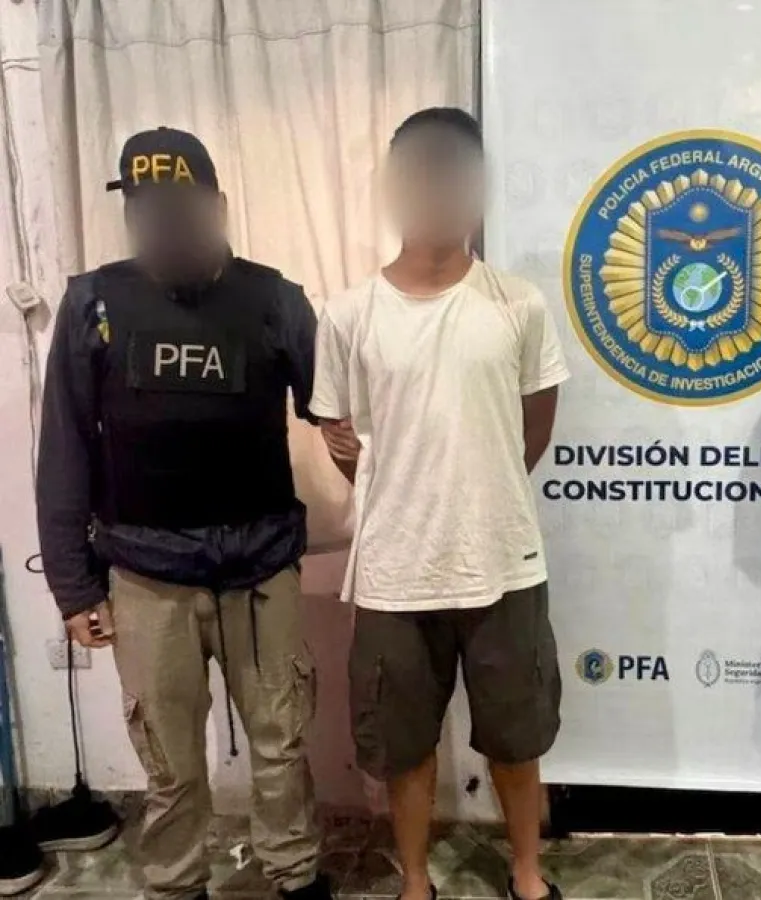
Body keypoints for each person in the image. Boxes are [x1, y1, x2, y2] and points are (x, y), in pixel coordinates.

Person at [36, 128, 330, 900]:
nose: (165, 224)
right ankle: (175, 886)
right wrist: (73, 587)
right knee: (170, 766)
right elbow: (64, 447)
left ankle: (296, 877)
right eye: (148, 211)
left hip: (261, 569)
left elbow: (336, 407)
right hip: (146, 576)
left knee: (281, 747)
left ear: (217, 207)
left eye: (180, 209)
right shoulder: (94, 302)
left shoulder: (275, 299)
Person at [311, 107, 568, 900]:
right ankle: (416, 882)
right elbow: (339, 433)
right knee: (402, 744)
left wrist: (478, 485)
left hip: (503, 563)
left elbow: (533, 424)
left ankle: (526, 874)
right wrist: (406, 487)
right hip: (394, 571)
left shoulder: (518, 304)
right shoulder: (348, 314)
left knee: (516, 739)